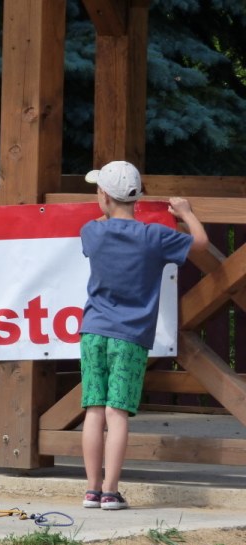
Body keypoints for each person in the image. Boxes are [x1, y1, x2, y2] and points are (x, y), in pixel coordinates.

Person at [79, 160, 208, 510]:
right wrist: (185, 212)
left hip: (93, 332)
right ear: (136, 199)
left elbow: (104, 223)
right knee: (117, 412)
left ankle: (91, 490)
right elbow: (200, 242)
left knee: (94, 410)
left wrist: (110, 208)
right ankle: (110, 491)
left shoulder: (91, 231)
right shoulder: (155, 237)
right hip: (131, 335)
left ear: (104, 197)